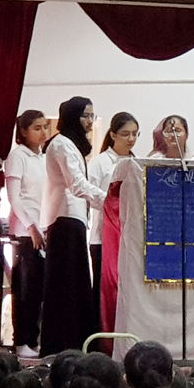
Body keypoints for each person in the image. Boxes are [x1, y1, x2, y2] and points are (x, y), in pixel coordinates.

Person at [40, 96, 106, 357]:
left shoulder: (70, 144)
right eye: (85, 115)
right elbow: (76, 185)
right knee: (65, 287)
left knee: (75, 285)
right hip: (64, 220)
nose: (90, 121)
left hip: (73, 220)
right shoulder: (62, 144)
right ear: (72, 117)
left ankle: (75, 344)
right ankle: (62, 346)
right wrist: (109, 200)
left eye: (92, 116)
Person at [89, 112, 138, 333]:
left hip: (129, 240)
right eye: (125, 134)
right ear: (113, 135)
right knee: (105, 291)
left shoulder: (136, 163)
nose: (131, 139)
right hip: (103, 238)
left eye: (135, 134)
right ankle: (104, 338)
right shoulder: (99, 163)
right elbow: (90, 197)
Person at [5, 110, 48, 358]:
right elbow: (15, 198)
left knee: (39, 291)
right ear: (23, 131)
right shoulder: (17, 156)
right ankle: (21, 340)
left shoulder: (43, 158)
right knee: (25, 290)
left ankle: (33, 339)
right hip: (24, 232)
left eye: (45, 127)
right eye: (37, 128)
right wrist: (30, 226)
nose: (43, 132)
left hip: (42, 230)